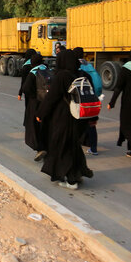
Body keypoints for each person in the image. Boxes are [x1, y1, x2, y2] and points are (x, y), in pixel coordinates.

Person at [36, 49, 93, 190]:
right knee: (73, 145)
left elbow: (51, 98)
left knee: (62, 147)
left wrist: (40, 114)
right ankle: (78, 173)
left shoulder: (61, 76)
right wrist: (93, 118)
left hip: (64, 118)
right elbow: (90, 97)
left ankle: (71, 180)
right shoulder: (83, 75)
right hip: (80, 118)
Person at [74, 47, 102, 156]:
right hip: (92, 98)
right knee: (91, 124)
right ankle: (93, 148)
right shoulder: (89, 66)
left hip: (80, 99)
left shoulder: (78, 67)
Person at [22, 53, 48, 161]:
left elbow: (26, 88)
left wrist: (33, 96)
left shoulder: (33, 73)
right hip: (47, 103)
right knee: (45, 127)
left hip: (35, 104)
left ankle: (39, 148)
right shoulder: (47, 70)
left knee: (33, 127)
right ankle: (46, 147)